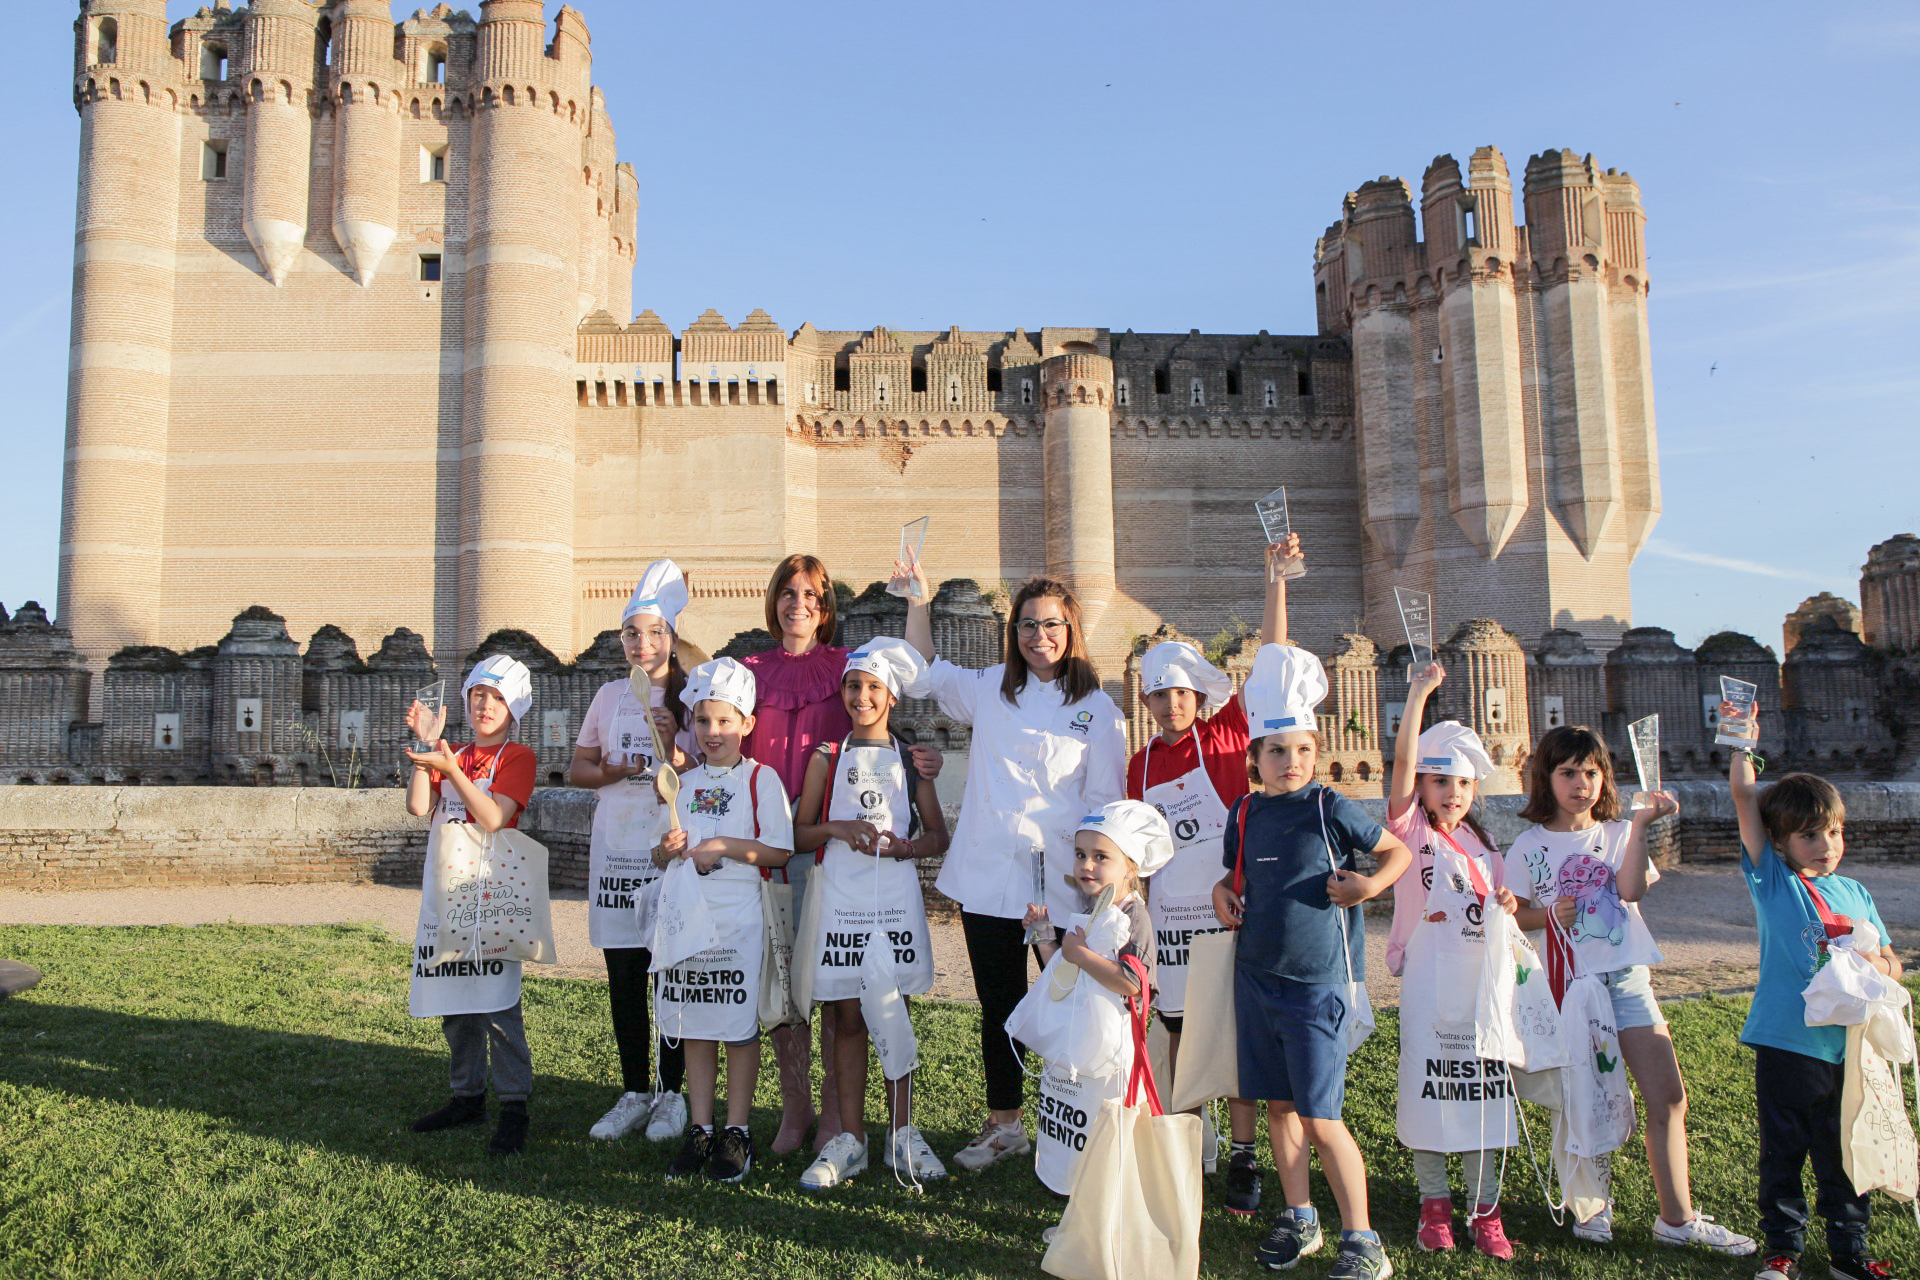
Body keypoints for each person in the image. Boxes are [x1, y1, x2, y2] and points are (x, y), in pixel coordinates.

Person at [903, 561, 1127, 1172]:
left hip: (1064, 884)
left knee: (1073, 1001)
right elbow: (923, 674)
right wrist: (918, 599)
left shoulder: (1099, 710)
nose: (1038, 636)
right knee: (998, 1004)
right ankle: (1005, 1124)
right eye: (1027, 625)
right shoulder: (992, 688)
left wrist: (1103, 886)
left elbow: (1108, 806)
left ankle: (1082, 1123)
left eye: (1050, 624)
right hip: (989, 875)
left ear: (1071, 630)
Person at [1504, 725, 1755, 1255]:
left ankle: (1677, 1218)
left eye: (1591, 773)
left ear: (1604, 778)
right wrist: (1548, 914)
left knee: (1668, 1097)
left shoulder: (1618, 833)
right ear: (1546, 779)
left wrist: (1640, 823)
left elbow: (1631, 889)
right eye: (1568, 773)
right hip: (1570, 989)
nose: (1581, 784)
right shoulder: (1528, 845)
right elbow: (1518, 915)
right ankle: (1591, 1209)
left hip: (1628, 982)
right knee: (1582, 1102)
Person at [1211, 642, 1411, 1278]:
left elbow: (1396, 854)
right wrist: (1222, 893)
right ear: (1255, 759)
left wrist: (1368, 887)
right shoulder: (1245, 811)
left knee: (1323, 1118)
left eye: (1301, 750)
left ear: (1316, 753)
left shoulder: (1330, 807)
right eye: (1276, 751)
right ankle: (1300, 1217)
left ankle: (1363, 1239)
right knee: (1277, 1107)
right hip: (1257, 978)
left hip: (1316, 982)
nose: (1290, 762)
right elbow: (1231, 877)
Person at [740, 554, 941, 1155]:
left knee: (832, 984)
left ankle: (838, 1118)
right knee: (784, 983)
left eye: (811, 594)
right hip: (767, 842)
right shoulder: (748, 670)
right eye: (787, 592)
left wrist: (919, 761)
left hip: (825, 854)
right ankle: (794, 1108)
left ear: (826, 609)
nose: (797, 603)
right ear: (773, 599)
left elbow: (884, 719)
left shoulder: (843, 670)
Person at [1128, 534, 1296, 1216]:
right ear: (1146, 702)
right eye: (1160, 694)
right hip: (1169, 918)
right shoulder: (1137, 766)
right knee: (1177, 1034)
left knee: (1232, 1033)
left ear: (1200, 695)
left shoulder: (1227, 734)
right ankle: (1186, 1145)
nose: (1172, 704)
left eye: (1182, 692)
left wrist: (1274, 580)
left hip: (1228, 910)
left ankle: (1244, 1153)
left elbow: (1273, 666)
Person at [1729, 711, 1900, 1280]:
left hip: (1847, 1049)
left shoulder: (1854, 890)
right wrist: (1743, 746)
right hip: (1787, 1043)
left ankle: (1849, 1252)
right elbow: (1743, 798)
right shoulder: (1774, 881)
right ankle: (1783, 1248)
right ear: (1779, 842)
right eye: (1809, 835)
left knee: (1843, 1153)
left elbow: (1893, 965)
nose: (1826, 845)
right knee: (1784, 1152)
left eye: (1834, 832)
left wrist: (1873, 958)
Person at [790, 637, 951, 1189]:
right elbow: (797, 832)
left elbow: (937, 837)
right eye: (854, 686)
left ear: (892, 698)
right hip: (843, 897)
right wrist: (838, 830)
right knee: (848, 1017)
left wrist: (907, 847)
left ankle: (902, 1134)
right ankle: (851, 1138)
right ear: (843, 692)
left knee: (893, 1014)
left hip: (894, 899)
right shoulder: (825, 758)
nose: (862, 697)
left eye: (874, 688)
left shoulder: (912, 761)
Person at [1383, 662, 1518, 1259]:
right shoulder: (1410, 831)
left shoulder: (1488, 847)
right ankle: (1434, 1203)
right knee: (1431, 1092)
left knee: (1486, 1093)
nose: (1452, 794)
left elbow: (1503, 913)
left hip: (1482, 990)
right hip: (1428, 986)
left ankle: (1485, 1209)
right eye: (1439, 782)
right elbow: (1402, 767)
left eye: (1462, 785)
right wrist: (1417, 695)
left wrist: (1509, 902)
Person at [652, 657, 794, 1184]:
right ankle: (700, 1127)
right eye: (704, 720)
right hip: (689, 917)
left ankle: (737, 1132)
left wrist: (724, 846)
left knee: (735, 1027)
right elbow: (662, 855)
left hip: (739, 919)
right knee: (695, 1023)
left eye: (724, 721)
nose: (713, 732)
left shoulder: (762, 780)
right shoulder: (680, 784)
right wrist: (665, 850)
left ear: (746, 725)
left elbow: (781, 850)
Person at [572, 559, 698, 1145]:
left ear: (671, 638)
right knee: (623, 973)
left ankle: (673, 1095)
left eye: (653, 634)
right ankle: (634, 1090)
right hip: (616, 853)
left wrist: (674, 744)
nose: (642, 644)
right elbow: (579, 768)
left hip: (668, 849)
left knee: (668, 972)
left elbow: (705, 771)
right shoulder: (606, 696)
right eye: (631, 634)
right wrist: (611, 770)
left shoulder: (692, 696)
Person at [402, 655, 540, 1157]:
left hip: (493, 896)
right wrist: (425, 749)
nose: (486, 705)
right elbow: (420, 807)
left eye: (498, 697)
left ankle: (514, 1105)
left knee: (498, 1004)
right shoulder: (449, 750)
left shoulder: (517, 758)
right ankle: (466, 1095)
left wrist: (450, 770)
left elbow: (493, 817)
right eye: (479, 694)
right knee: (455, 1004)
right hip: (446, 894)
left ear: (514, 708)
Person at [1022, 801, 1174, 1206]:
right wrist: (1043, 936)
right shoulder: (1090, 907)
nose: (1087, 865)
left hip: (1114, 1054)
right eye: (1080, 854)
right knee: (1079, 1129)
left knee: (1108, 1131)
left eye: (1100, 857)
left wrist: (1081, 955)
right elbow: (1064, 970)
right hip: (1083, 1039)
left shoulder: (1134, 917)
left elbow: (1134, 985)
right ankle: (1082, 1215)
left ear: (1130, 867)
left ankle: (1107, 1214)